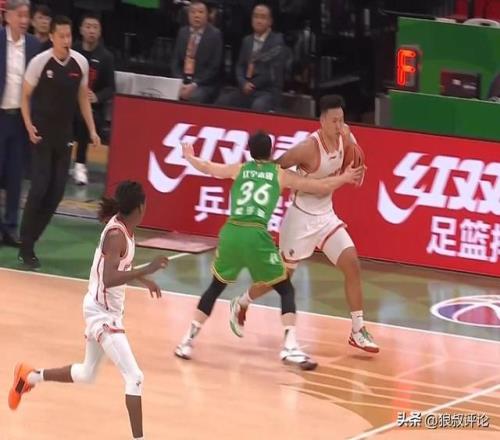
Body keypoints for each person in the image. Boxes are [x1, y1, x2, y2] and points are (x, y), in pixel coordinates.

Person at [174, 131, 363, 369]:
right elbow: (319, 185)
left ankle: (187, 341)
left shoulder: (240, 169)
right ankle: (290, 347)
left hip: (231, 233)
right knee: (286, 289)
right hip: (256, 236)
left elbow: (208, 167)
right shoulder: (279, 174)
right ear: (271, 151)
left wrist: (189, 156)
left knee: (215, 287)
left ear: (250, 151)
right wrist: (345, 177)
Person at [8, 180, 169, 440]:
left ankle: (29, 376)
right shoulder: (116, 235)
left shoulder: (125, 228)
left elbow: (120, 266)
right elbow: (109, 278)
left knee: (87, 373)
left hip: (104, 309)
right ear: (140, 208)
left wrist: (143, 279)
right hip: (101, 314)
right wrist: (146, 269)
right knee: (135, 377)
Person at [229, 95, 379, 354]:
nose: (339, 125)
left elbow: (358, 164)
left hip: (326, 216)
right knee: (281, 277)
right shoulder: (307, 148)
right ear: (322, 121)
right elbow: (275, 168)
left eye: (341, 120)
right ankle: (242, 302)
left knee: (352, 264)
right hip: (300, 220)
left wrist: (357, 165)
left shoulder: (345, 136)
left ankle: (358, 330)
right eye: (334, 121)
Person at [18, 15, 101, 269]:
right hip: (41, 135)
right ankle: (26, 247)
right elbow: (25, 96)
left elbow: (83, 98)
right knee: (39, 188)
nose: (66, 40)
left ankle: (31, 238)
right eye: (61, 36)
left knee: (56, 193)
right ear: (52, 37)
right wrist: (28, 125)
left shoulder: (80, 63)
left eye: (69, 35)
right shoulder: (39, 62)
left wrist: (92, 130)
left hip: (64, 137)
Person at [0, 0, 39, 247]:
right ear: (8, 16)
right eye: (20, 15)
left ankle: (11, 227)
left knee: (16, 176)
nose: (25, 20)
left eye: (27, 16)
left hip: (20, 121)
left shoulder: (34, 45)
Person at [216, 3, 284, 112]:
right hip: (245, 88)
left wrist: (253, 84)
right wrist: (243, 83)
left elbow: (272, 73)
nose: (258, 20)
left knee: (258, 106)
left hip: (266, 91)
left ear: (270, 21)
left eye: (263, 17)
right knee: (223, 101)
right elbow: (240, 66)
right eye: (256, 16)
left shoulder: (277, 41)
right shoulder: (247, 40)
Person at [72, 11, 115, 185]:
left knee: (84, 119)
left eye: (95, 27)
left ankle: (80, 164)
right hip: (69, 102)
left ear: (100, 31)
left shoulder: (106, 57)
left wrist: (97, 96)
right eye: (88, 27)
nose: (91, 31)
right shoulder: (72, 51)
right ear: (81, 29)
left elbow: (111, 87)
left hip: (92, 109)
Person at [170, 0, 223, 104]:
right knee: (166, 92)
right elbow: (175, 61)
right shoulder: (182, 32)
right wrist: (180, 82)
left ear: (207, 15)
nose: (196, 15)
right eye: (193, 12)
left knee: (195, 97)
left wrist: (194, 84)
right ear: (188, 15)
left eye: (200, 12)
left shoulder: (215, 35)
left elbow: (214, 68)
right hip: (182, 80)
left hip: (204, 83)